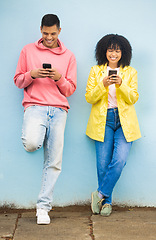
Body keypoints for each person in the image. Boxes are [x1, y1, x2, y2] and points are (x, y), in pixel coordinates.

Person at [14, 14, 77, 224]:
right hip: (35, 106)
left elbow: (70, 90)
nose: (48, 37)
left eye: (52, 33)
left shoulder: (69, 56)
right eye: (45, 33)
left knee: (54, 162)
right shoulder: (28, 51)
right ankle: (42, 136)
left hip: (59, 110)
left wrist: (58, 78)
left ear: (59, 31)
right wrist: (32, 74)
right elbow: (18, 81)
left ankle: (43, 208)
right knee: (32, 143)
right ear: (40, 29)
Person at [85, 34, 141, 217]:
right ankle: (106, 204)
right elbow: (89, 98)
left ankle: (99, 194)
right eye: (110, 49)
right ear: (104, 51)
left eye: (117, 50)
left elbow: (133, 98)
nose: (113, 53)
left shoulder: (131, 72)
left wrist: (121, 84)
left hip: (124, 122)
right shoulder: (95, 71)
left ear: (123, 52)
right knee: (102, 165)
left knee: (119, 161)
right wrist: (103, 84)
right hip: (103, 120)